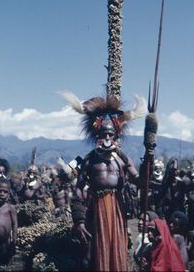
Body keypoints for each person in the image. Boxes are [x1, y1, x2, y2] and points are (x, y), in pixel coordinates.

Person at [61, 91, 149, 271]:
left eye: (111, 135)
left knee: (117, 244)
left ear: (116, 137)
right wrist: (79, 221)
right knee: (97, 249)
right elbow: (77, 191)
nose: (107, 139)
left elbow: (140, 181)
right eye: (103, 135)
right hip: (96, 208)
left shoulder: (123, 159)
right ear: (96, 137)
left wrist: (148, 160)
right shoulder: (89, 160)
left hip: (117, 208)